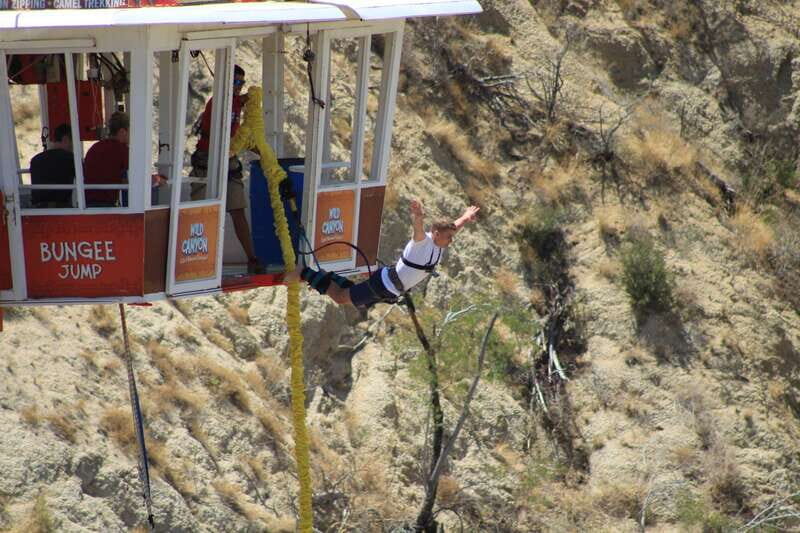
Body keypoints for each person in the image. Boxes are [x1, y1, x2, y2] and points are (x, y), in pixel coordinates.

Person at [287, 200, 480, 307]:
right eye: (448, 237)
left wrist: (466, 216)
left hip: (390, 289)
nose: (451, 241)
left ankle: (326, 278)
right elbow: (418, 229)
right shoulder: (423, 242)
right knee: (341, 298)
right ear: (436, 234)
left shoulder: (440, 244)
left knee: (351, 296)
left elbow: (456, 225)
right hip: (383, 284)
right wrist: (418, 216)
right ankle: (305, 273)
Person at [190, 64, 263, 274]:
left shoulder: (234, 104)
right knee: (203, 212)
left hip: (228, 160)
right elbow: (225, 132)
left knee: (237, 210)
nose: (239, 87)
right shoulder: (220, 103)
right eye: (235, 82)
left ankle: (252, 258)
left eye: (242, 83)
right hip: (207, 160)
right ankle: (198, 258)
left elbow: (237, 133)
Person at [84, 111, 129, 207]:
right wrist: (157, 179)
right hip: (106, 206)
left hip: (87, 205)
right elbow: (137, 178)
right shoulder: (122, 150)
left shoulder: (94, 148)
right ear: (122, 131)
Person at [30, 123, 75, 208]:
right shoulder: (71, 159)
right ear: (65, 139)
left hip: (37, 210)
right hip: (62, 208)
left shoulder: (35, 159)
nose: (73, 145)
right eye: (72, 141)